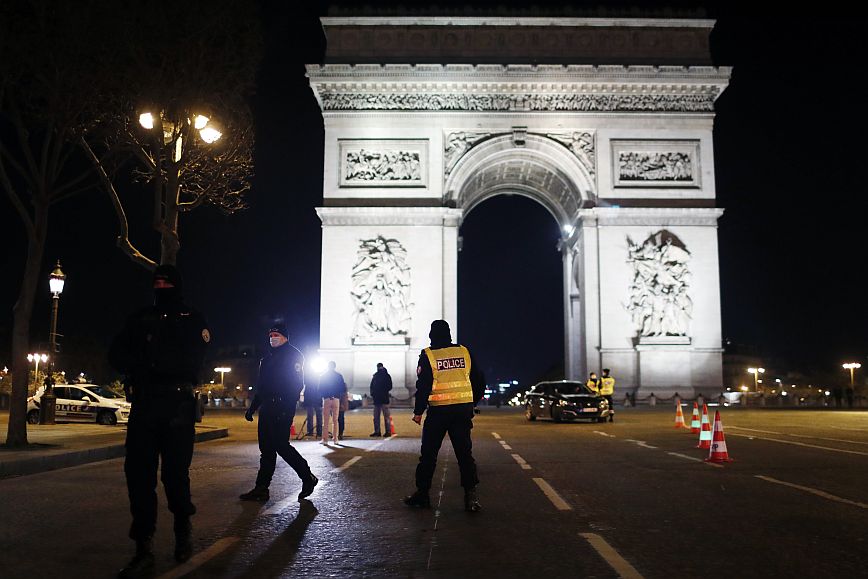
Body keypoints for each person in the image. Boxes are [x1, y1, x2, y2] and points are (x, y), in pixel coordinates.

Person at [109, 265, 210, 577]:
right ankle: (143, 546)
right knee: (138, 477)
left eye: (166, 281)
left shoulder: (192, 319)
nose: (161, 285)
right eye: (157, 281)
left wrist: (153, 364)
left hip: (176, 405)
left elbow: (196, 358)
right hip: (144, 404)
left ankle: (182, 531)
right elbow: (115, 354)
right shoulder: (139, 319)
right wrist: (141, 368)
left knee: (175, 476)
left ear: (177, 285)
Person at [404, 320, 485, 512]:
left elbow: (423, 385)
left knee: (429, 456)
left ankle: (422, 494)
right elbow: (479, 379)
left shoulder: (428, 355)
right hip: (461, 413)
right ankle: (471, 497)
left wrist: (418, 412)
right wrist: (471, 403)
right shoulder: (464, 352)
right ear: (449, 334)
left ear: (432, 335)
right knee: (465, 454)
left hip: (438, 412)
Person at [239, 323, 318, 503]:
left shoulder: (294, 355)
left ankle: (308, 477)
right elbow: (262, 388)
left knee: (281, 446)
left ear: (285, 337)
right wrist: (252, 408)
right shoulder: (266, 360)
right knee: (266, 451)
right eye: (271, 335)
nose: (273, 338)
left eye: (277, 335)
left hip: (282, 407)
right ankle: (261, 488)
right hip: (267, 408)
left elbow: (297, 384)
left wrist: (287, 405)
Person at [319, 361, 346, 445]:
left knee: (326, 420)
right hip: (336, 398)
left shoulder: (323, 376)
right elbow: (343, 388)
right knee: (335, 420)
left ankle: (325, 439)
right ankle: (335, 439)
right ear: (335, 366)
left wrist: (324, 396)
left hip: (327, 398)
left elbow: (320, 388)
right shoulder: (339, 376)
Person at [369, 362, 393, 436]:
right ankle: (387, 431)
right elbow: (390, 386)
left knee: (377, 417)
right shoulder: (387, 376)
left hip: (378, 399)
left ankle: (378, 431)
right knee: (386, 417)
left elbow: (372, 386)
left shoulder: (376, 376)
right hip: (384, 398)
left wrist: (373, 393)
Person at [302, 374, 322, 439]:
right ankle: (311, 431)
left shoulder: (319, 378)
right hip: (312, 400)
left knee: (318, 416)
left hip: (316, 400)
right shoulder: (308, 378)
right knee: (311, 416)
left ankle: (319, 432)